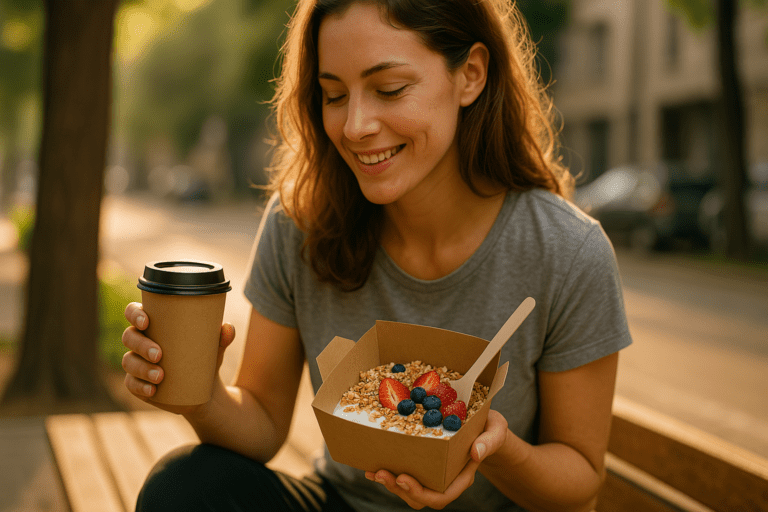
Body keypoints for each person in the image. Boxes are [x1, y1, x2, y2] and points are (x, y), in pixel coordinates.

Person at [121, 0, 632, 510]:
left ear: (471, 75)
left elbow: (580, 477)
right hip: (344, 504)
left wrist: (487, 446)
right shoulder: (300, 223)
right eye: (334, 95)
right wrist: (203, 394)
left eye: (389, 89)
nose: (355, 126)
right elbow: (262, 423)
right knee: (183, 486)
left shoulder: (567, 252)